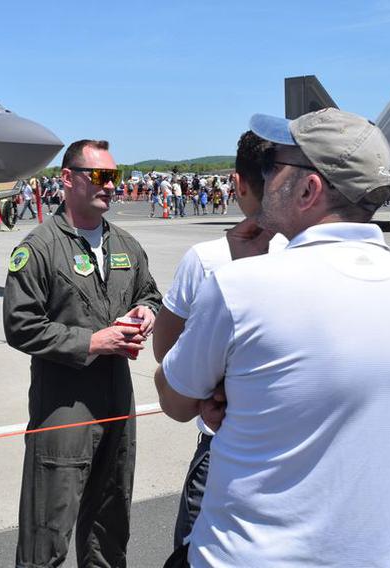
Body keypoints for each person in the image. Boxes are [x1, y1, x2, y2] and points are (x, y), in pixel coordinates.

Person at [156, 108, 390, 567]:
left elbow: (173, 398)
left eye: (273, 167)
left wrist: (217, 390)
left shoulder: (241, 285)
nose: (264, 177)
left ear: (309, 190)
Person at [3, 139, 161, 568]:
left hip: (117, 401)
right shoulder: (39, 248)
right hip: (64, 404)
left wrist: (147, 311)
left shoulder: (126, 245)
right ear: (67, 179)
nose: (110, 185)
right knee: (46, 534)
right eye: (100, 176)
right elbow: (20, 325)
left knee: (110, 527)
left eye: (116, 176)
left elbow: (150, 293)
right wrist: (92, 342)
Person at [152, 131, 287, 559]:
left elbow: (166, 354)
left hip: (227, 444)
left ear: (239, 182)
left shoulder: (208, 258)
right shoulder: (309, 252)